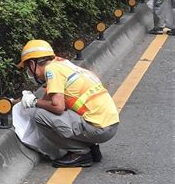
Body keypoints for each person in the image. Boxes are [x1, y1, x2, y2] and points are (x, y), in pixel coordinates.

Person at [17, 40, 119, 168]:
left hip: (100, 129)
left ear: (32, 64)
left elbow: (58, 107)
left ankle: (80, 153)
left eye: (28, 69)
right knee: (51, 111)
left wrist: (34, 102)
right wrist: (21, 101)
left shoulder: (51, 71)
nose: (30, 73)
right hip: (110, 124)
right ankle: (92, 149)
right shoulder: (63, 64)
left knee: (39, 116)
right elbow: (49, 99)